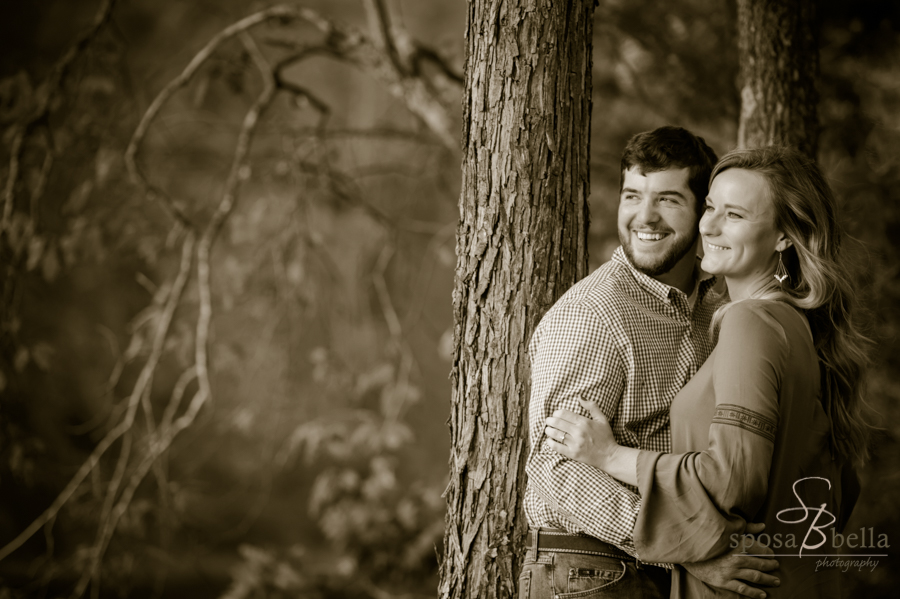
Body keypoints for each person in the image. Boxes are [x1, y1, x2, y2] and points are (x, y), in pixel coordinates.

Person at [545, 146, 869, 598]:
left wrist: (608, 456)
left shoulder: (749, 321)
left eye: (733, 215)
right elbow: (837, 489)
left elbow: (732, 479)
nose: (709, 226)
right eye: (711, 208)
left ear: (782, 238)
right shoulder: (793, 326)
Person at [523, 127, 779, 599]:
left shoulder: (717, 301)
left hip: (662, 566)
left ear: (704, 213)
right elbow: (555, 471)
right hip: (593, 571)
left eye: (667, 199)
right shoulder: (594, 314)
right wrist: (692, 548)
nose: (645, 216)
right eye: (632, 196)